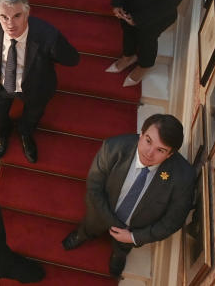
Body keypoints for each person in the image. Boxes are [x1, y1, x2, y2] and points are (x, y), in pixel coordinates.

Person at [62, 114, 195, 278]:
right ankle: (82, 235)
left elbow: (172, 222)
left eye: (160, 150)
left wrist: (133, 237)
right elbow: (94, 187)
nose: (149, 153)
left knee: (122, 247)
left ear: (170, 154)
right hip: (101, 211)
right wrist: (113, 222)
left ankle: (119, 255)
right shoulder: (113, 148)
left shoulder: (184, 177)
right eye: (148, 141)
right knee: (90, 226)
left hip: (135, 228)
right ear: (141, 133)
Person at [0, 0, 79, 164]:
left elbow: (72, 59)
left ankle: (25, 134)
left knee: (32, 116)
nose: (10, 24)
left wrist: (54, 47)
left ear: (27, 12)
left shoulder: (47, 35)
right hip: (0, 84)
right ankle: (3, 135)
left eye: (17, 16)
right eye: (4, 17)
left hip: (36, 86)